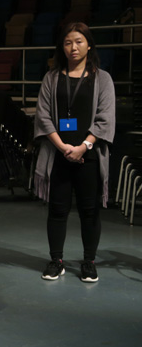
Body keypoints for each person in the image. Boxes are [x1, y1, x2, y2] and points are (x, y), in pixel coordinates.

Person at [34, 22, 115, 283]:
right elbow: (43, 116)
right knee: (57, 210)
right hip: (58, 154)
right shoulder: (51, 78)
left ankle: (89, 262)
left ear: (89, 45)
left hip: (89, 155)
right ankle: (56, 260)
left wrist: (83, 147)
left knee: (89, 211)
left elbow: (105, 118)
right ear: (62, 47)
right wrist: (63, 147)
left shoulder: (102, 79)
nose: (73, 47)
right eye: (68, 42)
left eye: (79, 41)